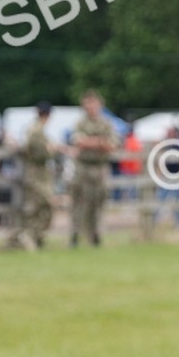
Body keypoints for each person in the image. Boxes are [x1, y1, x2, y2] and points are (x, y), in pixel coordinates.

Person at [4, 101, 58, 250]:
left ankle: (33, 238)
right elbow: (38, 152)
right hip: (36, 175)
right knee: (39, 206)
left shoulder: (35, 129)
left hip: (38, 174)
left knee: (38, 207)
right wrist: (52, 150)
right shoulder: (36, 130)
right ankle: (28, 239)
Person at [70, 90, 117, 247]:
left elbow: (111, 145)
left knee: (98, 201)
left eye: (93, 104)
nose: (90, 108)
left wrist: (91, 142)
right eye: (87, 104)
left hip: (100, 168)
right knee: (79, 202)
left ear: (99, 105)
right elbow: (78, 141)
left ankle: (95, 235)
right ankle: (75, 235)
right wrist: (99, 142)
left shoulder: (106, 123)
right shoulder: (80, 123)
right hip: (83, 167)